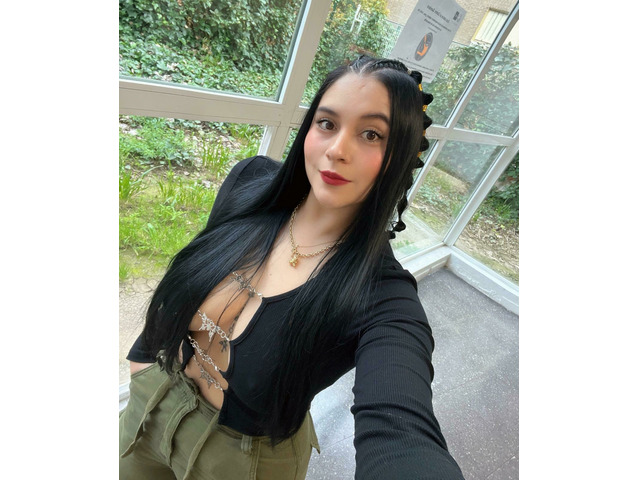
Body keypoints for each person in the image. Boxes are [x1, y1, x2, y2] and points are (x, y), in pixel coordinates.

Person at [119, 55, 466, 480]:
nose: (337, 150)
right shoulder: (249, 184)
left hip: (240, 461)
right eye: (327, 123)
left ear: (400, 155)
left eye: (372, 134)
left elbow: (403, 434)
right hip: (153, 403)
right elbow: (187, 280)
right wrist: (143, 359)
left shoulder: (383, 298)